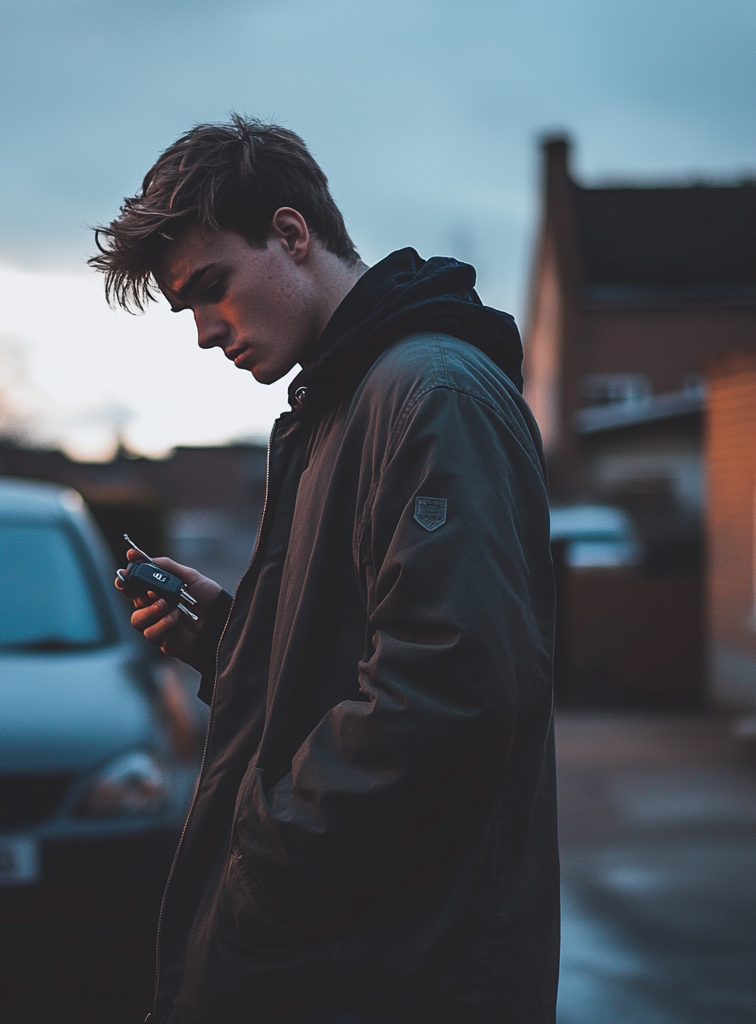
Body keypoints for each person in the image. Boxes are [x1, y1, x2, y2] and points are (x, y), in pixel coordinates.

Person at [91, 116, 559, 1024]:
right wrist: (229, 638)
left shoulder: (431, 396)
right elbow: (363, 662)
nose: (200, 331)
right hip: (347, 956)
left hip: (398, 970)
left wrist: (265, 851)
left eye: (211, 288)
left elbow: (449, 693)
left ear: (293, 233)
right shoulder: (338, 405)